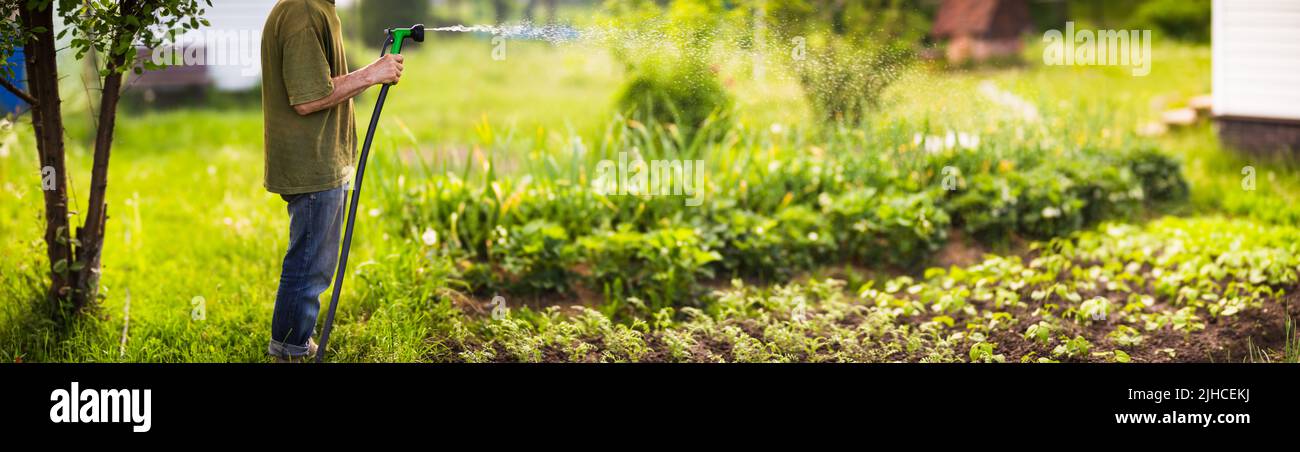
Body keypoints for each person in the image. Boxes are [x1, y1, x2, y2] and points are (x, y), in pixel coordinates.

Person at [260, 0, 403, 361]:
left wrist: (374, 72)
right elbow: (308, 99)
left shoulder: (320, 7)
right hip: (312, 161)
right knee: (309, 265)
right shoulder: (304, 11)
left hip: (324, 158)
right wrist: (373, 73)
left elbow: (321, 85)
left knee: (316, 262)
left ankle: (294, 340)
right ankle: (288, 351)